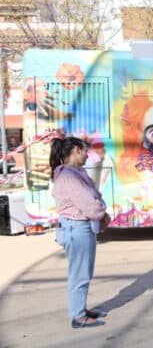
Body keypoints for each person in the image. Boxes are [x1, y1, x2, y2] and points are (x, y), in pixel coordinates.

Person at [50, 137, 111, 329]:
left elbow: (95, 196)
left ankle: (81, 309)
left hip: (80, 228)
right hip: (76, 229)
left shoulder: (76, 172)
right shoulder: (68, 176)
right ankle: (78, 317)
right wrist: (101, 212)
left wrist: (100, 211)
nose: (87, 155)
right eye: (85, 151)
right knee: (80, 274)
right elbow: (89, 204)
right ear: (76, 150)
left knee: (83, 272)